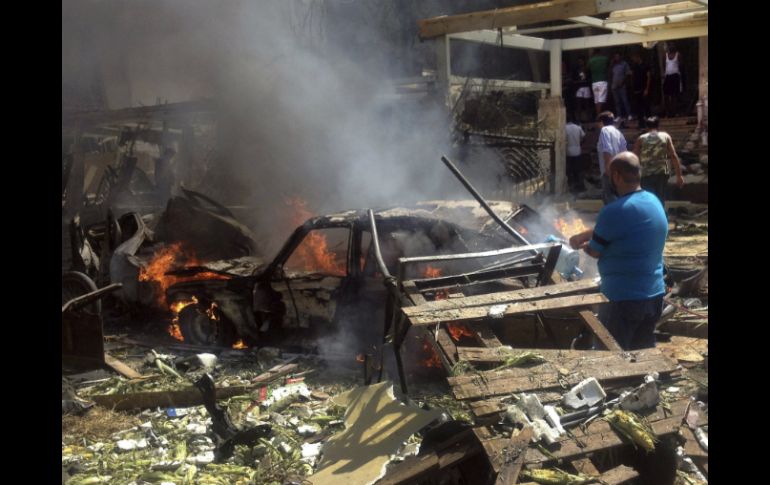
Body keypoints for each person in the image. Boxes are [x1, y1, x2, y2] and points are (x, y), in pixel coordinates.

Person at [569, 152, 667, 350]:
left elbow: (595, 252)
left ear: (616, 176)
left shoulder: (613, 211)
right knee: (643, 354)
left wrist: (580, 245)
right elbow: (625, 229)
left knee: (611, 357)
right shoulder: (653, 201)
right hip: (654, 295)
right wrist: (586, 234)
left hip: (623, 299)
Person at [632, 116, 685, 205]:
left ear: (647, 127)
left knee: (648, 200)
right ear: (658, 126)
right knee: (661, 199)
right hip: (663, 172)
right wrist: (679, 176)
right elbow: (673, 156)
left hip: (646, 173)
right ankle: (661, 216)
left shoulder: (641, 138)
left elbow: (633, 156)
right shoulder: (665, 136)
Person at [596, 111, 627, 204]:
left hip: (609, 170)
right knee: (618, 197)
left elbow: (607, 150)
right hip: (619, 170)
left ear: (601, 122)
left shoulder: (604, 130)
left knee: (609, 199)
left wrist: (608, 170)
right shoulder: (618, 132)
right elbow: (624, 151)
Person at [630, 52, 652, 127]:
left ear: (638, 57)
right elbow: (632, 76)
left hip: (644, 88)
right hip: (637, 89)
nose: (634, 59)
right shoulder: (634, 66)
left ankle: (650, 122)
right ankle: (641, 123)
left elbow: (649, 77)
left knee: (646, 106)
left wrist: (647, 89)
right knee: (638, 107)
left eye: (635, 57)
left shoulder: (645, 65)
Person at [565, 115, 586, 192]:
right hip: (577, 151)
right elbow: (584, 137)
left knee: (570, 169)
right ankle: (580, 185)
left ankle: (571, 185)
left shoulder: (564, 128)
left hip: (568, 151)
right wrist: (580, 143)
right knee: (578, 169)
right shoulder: (578, 127)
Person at [587, 49, 610, 116]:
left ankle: (598, 115)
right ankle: (599, 116)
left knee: (596, 100)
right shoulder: (605, 58)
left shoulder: (591, 60)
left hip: (594, 82)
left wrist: (590, 56)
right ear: (600, 52)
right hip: (602, 81)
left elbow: (587, 68)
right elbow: (609, 65)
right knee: (601, 100)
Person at [610, 52, 632, 121]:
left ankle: (629, 114)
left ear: (620, 56)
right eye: (615, 57)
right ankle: (619, 115)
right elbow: (610, 74)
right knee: (617, 102)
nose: (616, 58)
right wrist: (611, 64)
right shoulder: (613, 65)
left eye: (618, 56)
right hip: (614, 85)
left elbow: (628, 73)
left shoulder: (624, 64)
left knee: (625, 100)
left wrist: (623, 81)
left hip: (622, 85)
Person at [663, 43, 683, 117]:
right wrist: (664, 74)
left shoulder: (678, 55)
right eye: (670, 46)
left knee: (674, 95)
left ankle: (674, 112)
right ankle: (668, 112)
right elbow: (664, 65)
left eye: (672, 46)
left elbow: (681, 65)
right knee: (666, 95)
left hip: (675, 76)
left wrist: (679, 75)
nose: (671, 48)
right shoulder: (665, 55)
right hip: (668, 76)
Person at [572, 57, 592, 122]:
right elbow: (573, 80)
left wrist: (586, 81)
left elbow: (590, 78)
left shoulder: (587, 69)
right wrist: (577, 82)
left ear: (584, 62)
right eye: (579, 61)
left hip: (586, 87)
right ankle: (579, 119)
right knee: (579, 104)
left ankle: (588, 119)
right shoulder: (576, 70)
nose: (580, 63)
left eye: (582, 61)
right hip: (579, 88)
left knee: (587, 104)